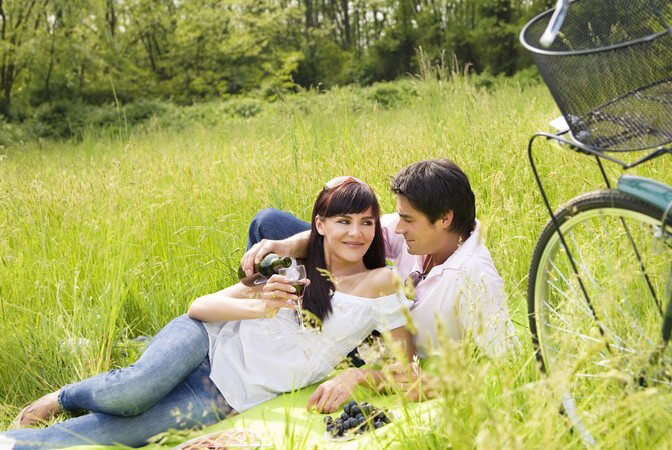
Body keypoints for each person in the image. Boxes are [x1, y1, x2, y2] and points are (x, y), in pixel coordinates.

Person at [1, 177, 414, 450]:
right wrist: (261, 306)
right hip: (203, 340)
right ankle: (63, 396)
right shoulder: (294, 270)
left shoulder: (382, 283)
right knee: (131, 392)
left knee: (116, 432)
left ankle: (14, 442)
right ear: (320, 225)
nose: (356, 233)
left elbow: (406, 372)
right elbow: (198, 308)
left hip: (226, 394)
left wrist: (358, 374)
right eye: (343, 221)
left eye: (366, 222)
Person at [242, 159, 517, 413]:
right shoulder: (424, 237)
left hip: (383, 343)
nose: (398, 228)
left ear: (444, 218)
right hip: (374, 306)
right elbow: (355, 238)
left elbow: (505, 368)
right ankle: (267, 319)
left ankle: (286, 335)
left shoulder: (476, 278)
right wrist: (283, 246)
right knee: (269, 225)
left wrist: (363, 376)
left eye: (408, 220)